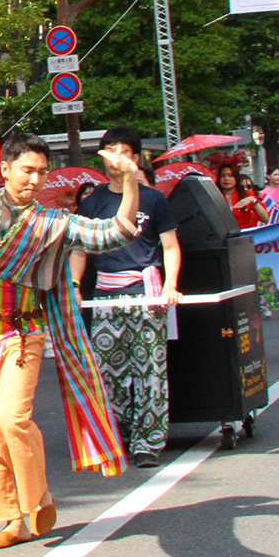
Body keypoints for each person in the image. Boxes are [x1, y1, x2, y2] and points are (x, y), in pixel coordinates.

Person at [0, 136, 137, 550]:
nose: (35, 180)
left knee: (9, 422)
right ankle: (11, 519)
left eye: (41, 172)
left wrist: (129, 184)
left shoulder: (52, 224)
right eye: (27, 170)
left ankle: (39, 497)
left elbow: (117, 233)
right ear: (4, 169)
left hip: (20, 335)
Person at [73, 126, 182, 469]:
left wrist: (170, 284)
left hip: (144, 289)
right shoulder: (93, 202)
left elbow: (170, 246)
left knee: (149, 369)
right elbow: (79, 250)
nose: (115, 159)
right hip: (106, 292)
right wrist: (75, 285)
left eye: (122, 152)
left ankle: (148, 441)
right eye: (109, 151)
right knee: (106, 369)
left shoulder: (154, 200)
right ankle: (116, 432)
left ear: (135, 158)